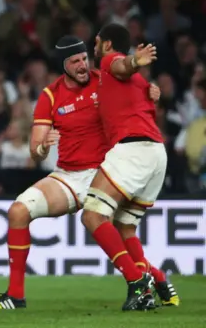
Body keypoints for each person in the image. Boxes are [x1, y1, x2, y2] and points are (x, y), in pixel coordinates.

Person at [0, 35, 162, 309]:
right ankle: (16, 295)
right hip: (67, 175)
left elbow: (129, 76)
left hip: (106, 171)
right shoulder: (50, 95)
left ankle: (145, 281)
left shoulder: (103, 79)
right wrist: (42, 148)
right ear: (63, 65)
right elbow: (35, 148)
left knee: (110, 225)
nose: (82, 65)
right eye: (74, 61)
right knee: (17, 211)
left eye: (84, 59)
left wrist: (151, 88)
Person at [81, 23, 176, 311]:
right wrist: (148, 83)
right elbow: (144, 91)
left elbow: (122, 66)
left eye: (97, 42)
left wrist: (134, 60)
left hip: (132, 149)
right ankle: (149, 281)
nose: (94, 48)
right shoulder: (141, 83)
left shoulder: (112, 62)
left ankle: (138, 282)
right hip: (156, 153)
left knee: (93, 216)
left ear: (107, 44)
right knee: (124, 226)